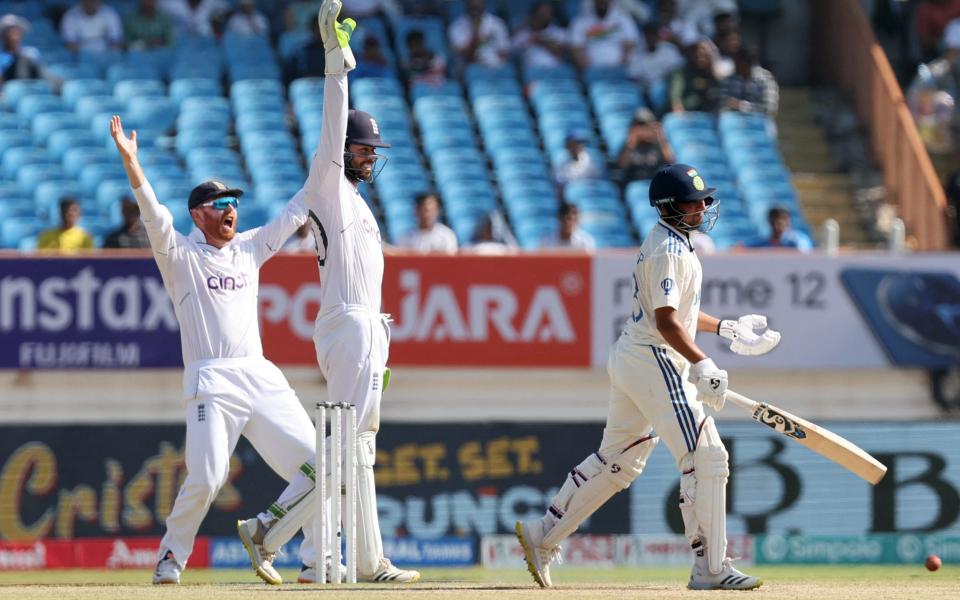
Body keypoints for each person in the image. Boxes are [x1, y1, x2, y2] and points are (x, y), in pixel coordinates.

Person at [516, 164, 778, 591]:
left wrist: (725, 328)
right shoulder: (668, 251)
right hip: (654, 357)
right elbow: (667, 322)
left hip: (635, 357)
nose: (703, 207)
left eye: (703, 200)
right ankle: (711, 567)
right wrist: (702, 364)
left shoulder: (674, 243)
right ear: (670, 207)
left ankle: (543, 535)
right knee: (706, 455)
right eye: (693, 202)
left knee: (619, 461)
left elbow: (682, 316)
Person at [235, 0, 420, 585]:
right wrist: (337, 60)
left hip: (367, 328)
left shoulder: (355, 201)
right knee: (341, 451)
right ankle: (268, 528)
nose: (370, 157)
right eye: (365, 150)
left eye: (371, 151)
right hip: (352, 325)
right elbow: (333, 122)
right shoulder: (329, 183)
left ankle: (365, 561)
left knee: (358, 448)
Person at [109, 107, 322, 584]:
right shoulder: (180, 255)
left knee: (319, 467)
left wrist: (328, 160)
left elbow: (296, 211)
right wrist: (132, 162)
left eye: (234, 202)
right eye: (219, 203)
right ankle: (171, 558)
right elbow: (152, 212)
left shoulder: (248, 247)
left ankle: (313, 559)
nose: (230, 209)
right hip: (211, 379)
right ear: (196, 215)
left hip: (259, 374)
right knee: (207, 478)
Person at [570, 0, 640, 71]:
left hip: (619, 71)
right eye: (599, 1)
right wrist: (590, 69)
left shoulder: (624, 19)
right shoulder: (580, 21)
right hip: (591, 72)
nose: (602, 2)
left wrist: (621, 66)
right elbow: (577, 49)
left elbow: (630, 46)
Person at [615, 107, 674, 185]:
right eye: (642, 126)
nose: (646, 129)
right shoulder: (629, 145)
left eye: (648, 126)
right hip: (634, 184)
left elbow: (671, 161)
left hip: (655, 183)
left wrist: (661, 138)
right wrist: (632, 142)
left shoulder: (658, 144)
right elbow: (621, 165)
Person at [448, 0, 510, 68]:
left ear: (484, 4)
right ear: (467, 4)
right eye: (473, 5)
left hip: (495, 67)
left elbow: (505, 52)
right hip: (468, 68)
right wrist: (476, 34)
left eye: (478, 4)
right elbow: (464, 55)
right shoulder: (457, 25)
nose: (476, 7)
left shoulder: (497, 24)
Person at [718, 46, 778, 116]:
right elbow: (721, 101)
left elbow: (769, 109)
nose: (733, 65)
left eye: (736, 62)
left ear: (745, 63)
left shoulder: (766, 78)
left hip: (759, 122)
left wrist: (742, 106)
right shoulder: (730, 78)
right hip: (733, 121)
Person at [511, 1, 569, 71]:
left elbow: (563, 53)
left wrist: (544, 41)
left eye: (548, 12)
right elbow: (511, 52)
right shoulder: (523, 34)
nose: (545, 15)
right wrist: (529, 41)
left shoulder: (559, 32)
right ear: (534, 14)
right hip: (531, 73)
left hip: (555, 73)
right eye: (542, 13)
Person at [670, 39, 720, 113]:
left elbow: (718, 91)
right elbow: (676, 96)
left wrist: (712, 66)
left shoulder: (711, 72)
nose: (700, 57)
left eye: (704, 55)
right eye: (697, 54)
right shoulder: (682, 73)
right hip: (688, 113)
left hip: (709, 113)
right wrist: (679, 110)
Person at [744, 206, 812, 251]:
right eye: (776, 221)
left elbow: (805, 254)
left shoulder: (798, 240)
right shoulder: (762, 242)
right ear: (770, 222)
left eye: (784, 219)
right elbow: (740, 248)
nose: (780, 223)